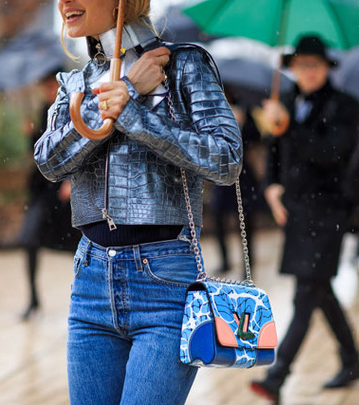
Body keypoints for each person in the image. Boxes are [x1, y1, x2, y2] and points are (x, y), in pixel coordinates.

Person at [34, 1, 242, 404]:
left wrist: (133, 113)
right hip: (91, 282)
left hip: (165, 283)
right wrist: (127, 88)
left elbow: (227, 160)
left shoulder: (183, 65)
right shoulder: (74, 83)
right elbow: (50, 162)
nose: (65, 2)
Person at [250, 35, 359, 403]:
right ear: (293, 67)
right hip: (296, 213)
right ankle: (352, 361)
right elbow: (273, 154)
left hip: (329, 211)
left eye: (314, 65)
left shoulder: (345, 106)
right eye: (301, 65)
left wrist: (289, 127)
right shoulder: (283, 101)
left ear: (326, 67)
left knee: (306, 293)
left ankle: (277, 376)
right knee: (320, 290)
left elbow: (331, 153)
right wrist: (271, 187)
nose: (308, 71)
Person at [19, 68, 81, 321]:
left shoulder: (73, 108)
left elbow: (77, 146)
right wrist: (31, 134)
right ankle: (33, 299)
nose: (48, 91)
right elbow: (41, 151)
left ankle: (85, 298)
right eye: (44, 86)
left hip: (63, 191)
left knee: (79, 248)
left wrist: (70, 180)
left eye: (51, 86)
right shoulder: (43, 110)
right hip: (42, 191)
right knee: (29, 239)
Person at [210, 90, 264, 276]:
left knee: (246, 222)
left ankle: (248, 265)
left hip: (243, 173)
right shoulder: (212, 111)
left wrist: (240, 124)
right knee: (218, 218)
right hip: (222, 172)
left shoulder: (245, 111)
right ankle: (225, 261)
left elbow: (256, 137)